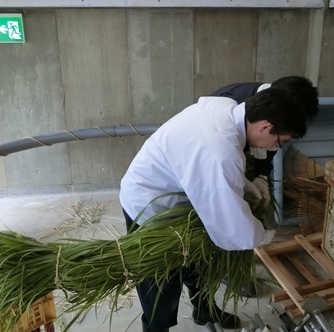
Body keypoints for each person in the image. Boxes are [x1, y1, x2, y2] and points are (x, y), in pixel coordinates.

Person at [120, 87, 314, 332]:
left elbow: (209, 166)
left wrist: (245, 182)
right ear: (265, 127)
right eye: (279, 141)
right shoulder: (218, 151)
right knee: (160, 279)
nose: (275, 147)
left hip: (178, 193)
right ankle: (156, 329)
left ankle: (205, 311)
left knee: (199, 261)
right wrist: (260, 234)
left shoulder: (226, 110)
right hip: (149, 204)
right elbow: (229, 224)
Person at [211, 76, 319, 297]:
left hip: (239, 164)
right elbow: (220, 202)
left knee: (247, 212)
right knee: (223, 221)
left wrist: (260, 176)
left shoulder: (269, 120)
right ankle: (227, 270)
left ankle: (239, 263)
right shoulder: (230, 105)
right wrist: (255, 234)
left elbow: (268, 148)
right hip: (216, 171)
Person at [212, 76, 319, 207]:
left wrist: (261, 176)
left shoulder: (270, 119)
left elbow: (270, 144)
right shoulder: (233, 107)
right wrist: (239, 180)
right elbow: (220, 175)